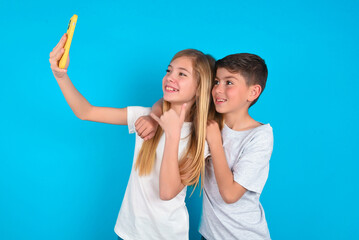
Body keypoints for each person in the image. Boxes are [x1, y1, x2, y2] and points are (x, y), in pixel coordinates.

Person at [49, 33, 215, 240]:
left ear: (200, 88)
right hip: (128, 232)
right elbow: (86, 112)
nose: (170, 77)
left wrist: (172, 134)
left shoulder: (199, 139)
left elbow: (166, 192)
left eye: (182, 74)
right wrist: (61, 76)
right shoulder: (146, 116)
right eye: (169, 70)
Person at [200, 53, 273, 240]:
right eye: (216, 81)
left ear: (253, 92)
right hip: (209, 235)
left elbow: (230, 194)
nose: (217, 89)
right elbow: (180, 103)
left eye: (229, 82)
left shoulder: (260, 136)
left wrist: (215, 142)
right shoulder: (210, 122)